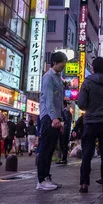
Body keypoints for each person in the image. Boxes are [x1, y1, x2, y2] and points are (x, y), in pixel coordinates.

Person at [78, 56, 103, 193]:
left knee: (87, 153)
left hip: (90, 122)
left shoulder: (87, 82)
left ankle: (84, 184)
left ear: (92, 68)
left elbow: (81, 104)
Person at [36, 51, 67, 191]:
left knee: (50, 150)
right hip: (48, 117)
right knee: (45, 149)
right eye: (62, 63)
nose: (64, 66)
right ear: (55, 62)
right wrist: (54, 118)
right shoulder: (48, 77)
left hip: (54, 117)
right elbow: (48, 100)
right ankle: (41, 180)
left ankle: (46, 177)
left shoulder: (58, 78)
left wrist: (60, 119)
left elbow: (59, 101)